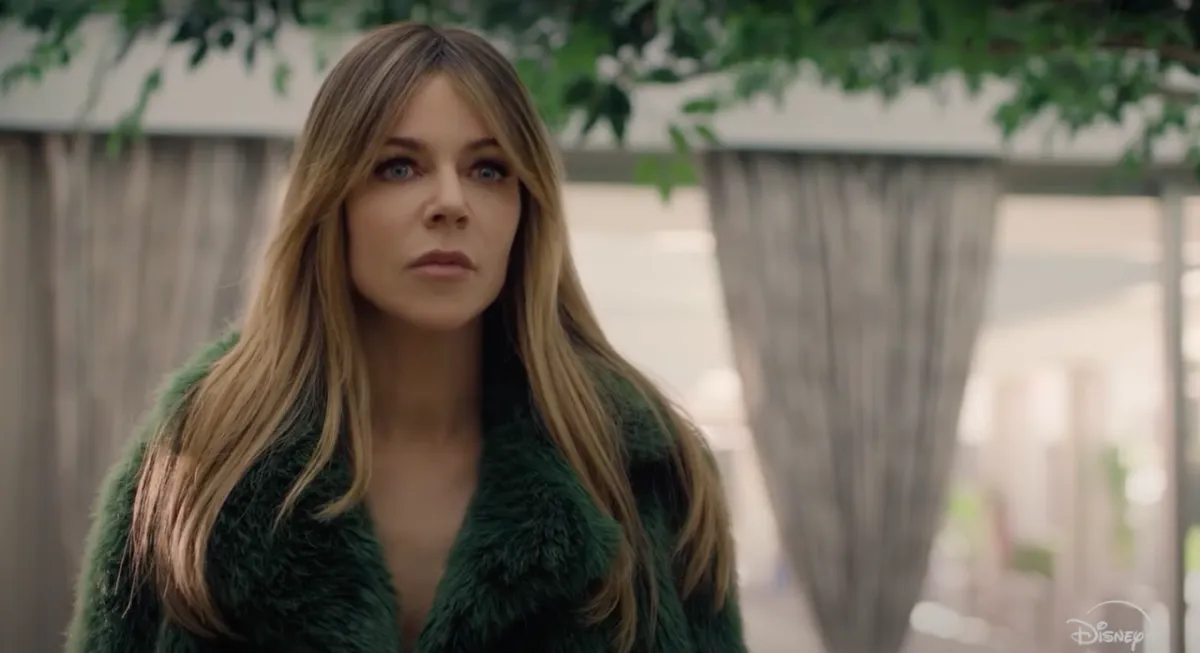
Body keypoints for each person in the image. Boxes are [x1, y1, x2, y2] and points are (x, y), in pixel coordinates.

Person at [66, 21, 746, 653]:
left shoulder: (643, 465)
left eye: (488, 169)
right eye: (398, 166)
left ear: (525, 210)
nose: (450, 202)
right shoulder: (201, 452)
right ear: (331, 200)